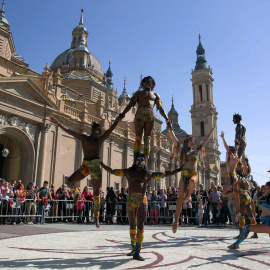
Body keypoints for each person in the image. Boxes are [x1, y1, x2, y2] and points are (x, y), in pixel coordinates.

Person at [101, 153, 183, 261]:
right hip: (131, 200)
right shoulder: (129, 172)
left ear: (145, 161)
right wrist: (101, 163)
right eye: (138, 160)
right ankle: (133, 248)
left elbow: (164, 173)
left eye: (142, 160)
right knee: (132, 224)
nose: (140, 162)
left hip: (142, 200)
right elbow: (112, 170)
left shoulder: (148, 173)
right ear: (135, 161)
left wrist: (178, 170)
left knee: (140, 224)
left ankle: (137, 251)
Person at [49, 115, 121, 228]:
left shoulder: (100, 139)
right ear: (93, 130)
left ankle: (96, 217)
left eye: (100, 130)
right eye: (98, 129)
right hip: (86, 165)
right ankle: (76, 192)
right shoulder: (84, 138)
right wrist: (58, 124)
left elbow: (110, 130)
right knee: (69, 182)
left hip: (96, 166)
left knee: (96, 192)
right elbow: (70, 131)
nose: (100, 131)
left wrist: (117, 121)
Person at [169, 124, 216, 233]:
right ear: (187, 141)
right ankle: (176, 221)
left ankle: (188, 196)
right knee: (180, 198)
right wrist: (170, 130)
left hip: (193, 175)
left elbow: (205, 141)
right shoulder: (181, 150)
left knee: (191, 181)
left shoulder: (196, 151)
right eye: (192, 140)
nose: (194, 142)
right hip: (183, 176)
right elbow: (174, 139)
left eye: (194, 141)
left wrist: (211, 130)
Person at [119, 76, 172, 163]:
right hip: (139, 116)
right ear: (142, 83)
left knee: (147, 138)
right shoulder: (138, 94)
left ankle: (146, 160)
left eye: (150, 81)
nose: (148, 82)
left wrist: (167, 119)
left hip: (150, 117)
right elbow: (130, 105)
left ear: (153, 84)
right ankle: (135, 158)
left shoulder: (155, 96)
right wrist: (122, 114)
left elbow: (161, 109)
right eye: (146, 81)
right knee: (138, 137)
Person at [228, 181, 270, 249]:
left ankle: (235, 245)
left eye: (266, 188)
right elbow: (252, 202)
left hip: (268, 224)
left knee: (247, 227)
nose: (264, 189)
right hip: (266, 222)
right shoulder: (267, 196)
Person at [220, 131, 240, 221]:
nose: (227, 153)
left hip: (232, 177)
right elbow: (232, 149)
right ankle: (237, 213)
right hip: (232, 177)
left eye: (228, 152)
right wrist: (237, 145)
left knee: (224, 194)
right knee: (233, 197)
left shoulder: (232, 157)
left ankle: (235, 193)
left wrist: (223, 138)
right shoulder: (234, 157)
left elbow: (226, 147)